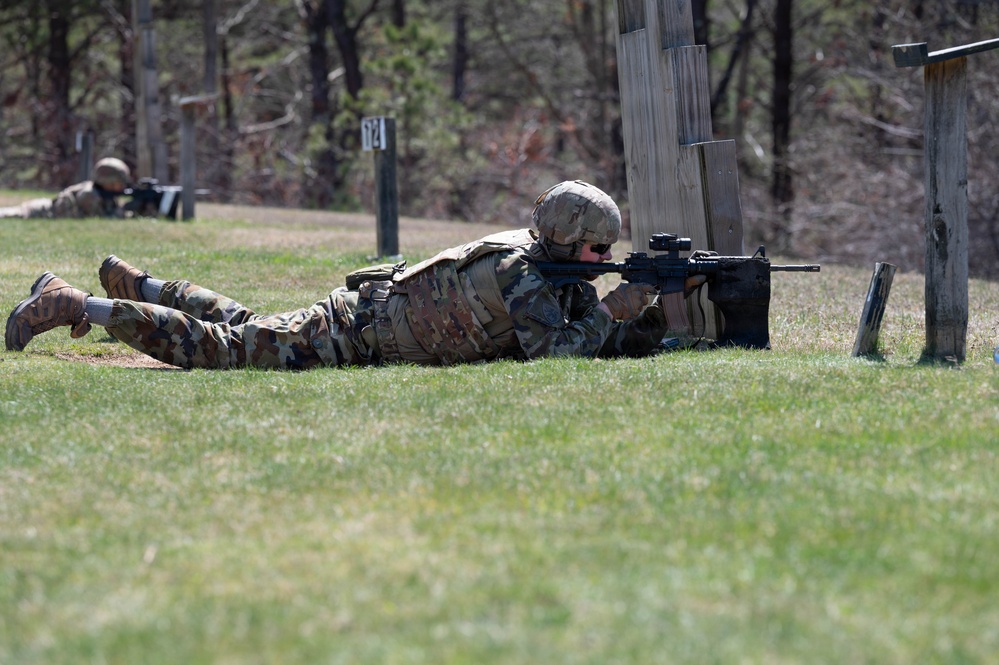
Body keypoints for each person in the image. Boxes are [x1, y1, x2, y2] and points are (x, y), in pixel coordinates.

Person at [6, 180, 701, 368]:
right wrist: (614, 308)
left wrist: (651, 319)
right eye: (597, 250)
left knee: (245, 324)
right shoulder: (523, 274)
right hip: (353, 333)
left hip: (365, 318)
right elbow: (556, 352)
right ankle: (79, 304)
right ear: (568, 240)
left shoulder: (540, 262)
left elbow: (584, 335)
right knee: (227, 349)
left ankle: (140, 286)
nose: (602, 262)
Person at [0, 157, 130, 219]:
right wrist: (127, 210)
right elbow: (100, 218)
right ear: (107, 180)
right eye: (118, 182)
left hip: (46, 208)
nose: (121, 186)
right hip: (40, 211)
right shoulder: (89, 194)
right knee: (10, 215)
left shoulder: (105, 195)